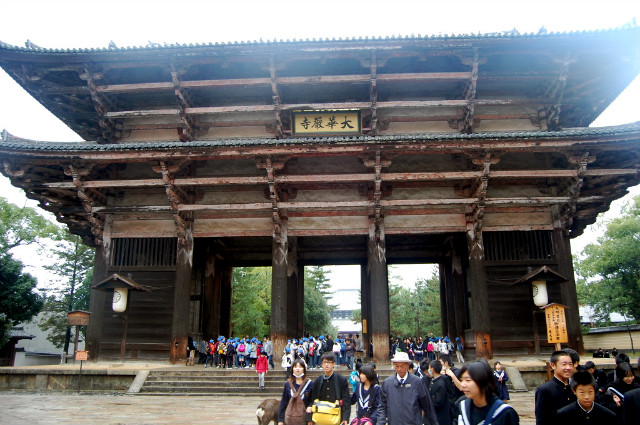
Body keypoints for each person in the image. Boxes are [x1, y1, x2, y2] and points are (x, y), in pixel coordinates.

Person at [376, 351, 438, 425]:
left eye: (402, 366)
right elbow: (382, 406)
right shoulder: (387, 383)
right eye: (397, 366)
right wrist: (380, 422)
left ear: (408, 366)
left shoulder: (417, 382)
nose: (399, 369)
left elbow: (427, 406)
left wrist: (434, 422)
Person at [455, 360, 519, 425]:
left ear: (483, 381)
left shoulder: (505, 413)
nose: (462, 384)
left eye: (468, 380)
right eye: (462, 380)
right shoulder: (462, 407)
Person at [534, 350, 576, 425]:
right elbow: (541, 419)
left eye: (570, 364)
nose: (568, 368)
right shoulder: (544, 390)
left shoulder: (576, 386)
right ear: (553, 365)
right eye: (564, 364)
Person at [308, 352, 350, 425]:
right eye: (324, 362)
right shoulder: (318, 381)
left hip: (336, 417)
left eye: (329, 362)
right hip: (321, 416)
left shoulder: (341, 380)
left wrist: (345, 418)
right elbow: (313, 399)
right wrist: (310, 418)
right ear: (321, 364)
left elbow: (346, 400)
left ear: (334, 364)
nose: (326, 365)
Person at [277, 358, 313, 425]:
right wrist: (280, 420)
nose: (298, 369)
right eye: (295, 367)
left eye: (300, 367)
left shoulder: (310, 384)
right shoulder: (288, 384)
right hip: (290, 419)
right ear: (292, 369)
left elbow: (312, 401)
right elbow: (283, 402)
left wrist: (310, 417)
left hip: (305, 419)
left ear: (304, 369)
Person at [428, 359, 451, 425]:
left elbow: (438, 402)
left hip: (441, 416)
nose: (429, 370)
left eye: (429, 368)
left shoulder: (440, 384)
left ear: (432, 369)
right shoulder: (434, 380)